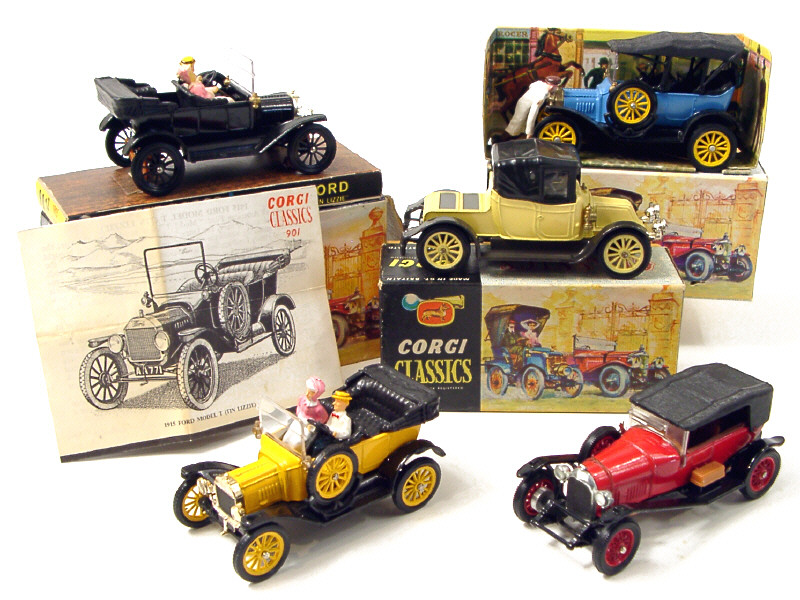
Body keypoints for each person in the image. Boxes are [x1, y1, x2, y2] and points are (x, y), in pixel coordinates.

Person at [283, 377, 329, 451]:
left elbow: (324, 418)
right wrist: (299, 413)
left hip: (307, 426)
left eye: (311, 392)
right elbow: (299, 407)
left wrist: (313, 423)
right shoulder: (302, 399)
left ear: (316, 394)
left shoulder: (318, 408)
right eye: (308, 390)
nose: (308, 393)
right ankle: (284, 445)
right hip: (299, 421)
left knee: (299, 440)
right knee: (289, 435)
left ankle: (296, 451)